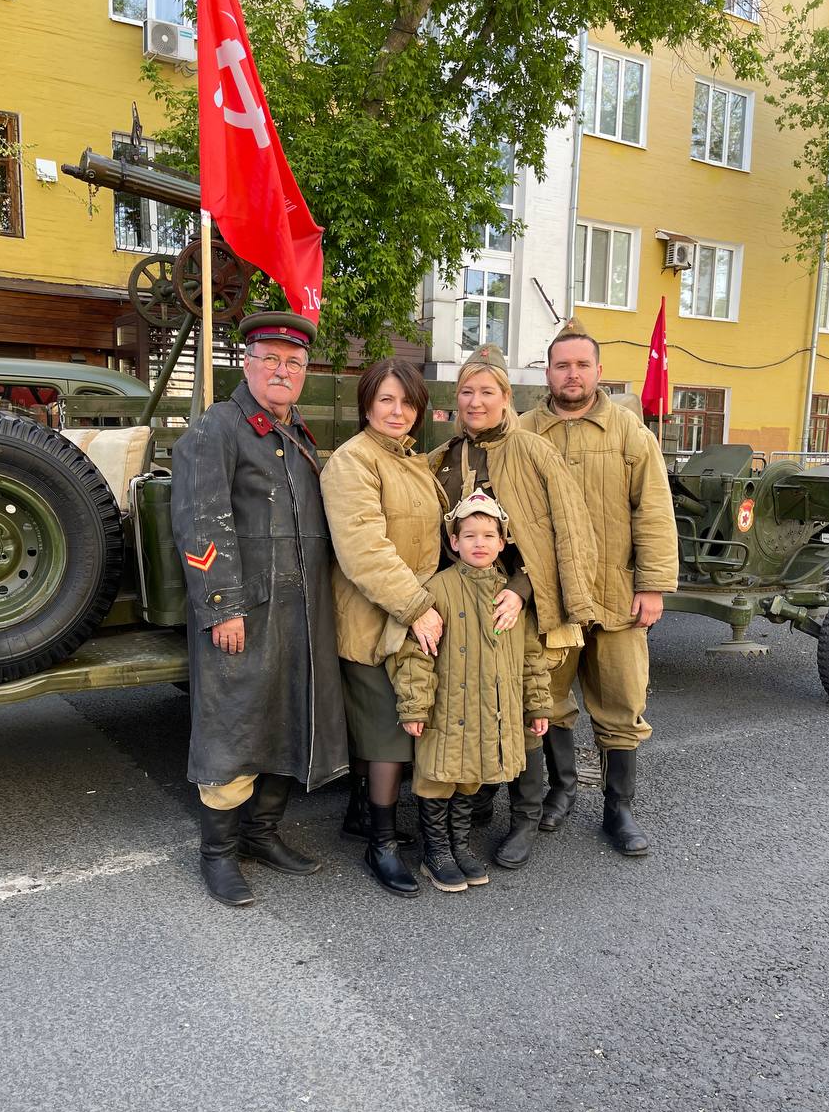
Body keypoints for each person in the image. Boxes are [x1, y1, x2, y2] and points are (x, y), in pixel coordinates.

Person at [170, 311, 348, 907]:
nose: (282, 370)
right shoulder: (216, 429)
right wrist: (222, 605)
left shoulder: (295, 433)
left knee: (286, 718)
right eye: (270, 359)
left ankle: (262, 835)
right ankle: (218, 853)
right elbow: (200, 522)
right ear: (246, 364)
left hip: (299, 611)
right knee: (233, 726)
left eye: (293, 363)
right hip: (243, 612)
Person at [428, 343, 598, 871]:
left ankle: (524, 818)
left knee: (524, 712)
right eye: (467, 391)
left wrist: (521, 591)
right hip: (462, 605)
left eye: (487, 391)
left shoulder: (533, 451)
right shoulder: (444, 457)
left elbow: (564, 532)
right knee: (470, 704)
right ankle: (472, 803)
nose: (476, 401)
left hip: (520, 604)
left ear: (506, 397)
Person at [518, 323, 679, 856]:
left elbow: (654, 512)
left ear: (598, 372)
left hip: (615, 595)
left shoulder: (630, 433)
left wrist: (653, 586)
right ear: (547, 373)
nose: (572, 374)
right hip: (552, 601)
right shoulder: (524, 432)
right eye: (562, 365)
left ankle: (619, 809)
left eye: (582, 365)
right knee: (550, 699)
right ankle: (560, 793)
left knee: (622, 702)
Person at [320, 359, 445, 898]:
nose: (399, 412)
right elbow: (364, 552)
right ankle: (383, 844)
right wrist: (419, 607)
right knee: (388, 732)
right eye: (387, 400)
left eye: (408, 402)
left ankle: (360, 816)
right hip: (373, 619)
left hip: (409, 613)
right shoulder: (354, 462)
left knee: (387, 729)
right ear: (366, 403)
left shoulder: (410, 460)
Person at [390, 492, 551, 892]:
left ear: (502, 543)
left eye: (489, 535)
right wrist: (415, 707)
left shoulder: (511, 598)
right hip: (446, 709)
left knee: (470, 778)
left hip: (489, 711)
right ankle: (436, 852)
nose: (479, 543)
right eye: (470, 535)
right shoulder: (437, 591)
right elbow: (416, 655)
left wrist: (538, 704)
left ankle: (459, 846)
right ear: (454, 542)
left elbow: (531, 655)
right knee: (437, 779)